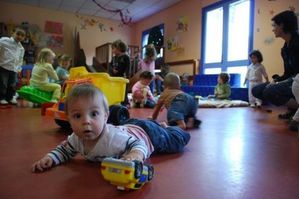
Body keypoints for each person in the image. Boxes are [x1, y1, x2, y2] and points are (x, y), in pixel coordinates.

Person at [31, 83, 190, 172]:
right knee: (149, 127)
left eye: (94, 114)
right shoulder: (75, 139)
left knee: (176, 141)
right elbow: (64, 150)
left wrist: (135, 155)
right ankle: (159, 125)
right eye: (78, 116)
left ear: (106, 116)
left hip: (147, 135)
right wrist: (50, 158)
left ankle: (172, 128)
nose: (86, 121)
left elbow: (138, 144)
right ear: (69, 119)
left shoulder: (113, 139)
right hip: (129, 127)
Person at [252, 10, 299, 119]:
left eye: (274, 26)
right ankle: (294, 109)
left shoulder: (297, 43)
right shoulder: (284, 49)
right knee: (257, 90)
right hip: (292, 80)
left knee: (270, 90)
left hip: (297, 81)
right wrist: (276, 80)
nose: (273, 29)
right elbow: (288, 73)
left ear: (282, 25)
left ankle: (296, 110)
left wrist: (278, 83)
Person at [0, 27, 25, 105]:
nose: (19, 36)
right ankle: (2, 98)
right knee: (3, 83)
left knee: (12, 85)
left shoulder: (21, 48)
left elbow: (20, 59)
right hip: (4, 66)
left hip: (14, 69)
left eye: (22, 35)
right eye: (18, 34)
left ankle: (10, 98)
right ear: (13, 33)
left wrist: (19, 68)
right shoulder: (4, 41)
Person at [109, 39, 130, 106]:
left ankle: (125, 103)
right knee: (116, 90)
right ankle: (116, 101)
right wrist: (112, 70)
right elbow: (110, 65)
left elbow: (128, 67)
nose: (112, 50)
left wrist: (126, 75)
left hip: (123, 77)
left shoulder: (126, 57)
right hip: (115, 77)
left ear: (118, 48)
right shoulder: (114, 58)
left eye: (113, 48)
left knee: (123, 90)